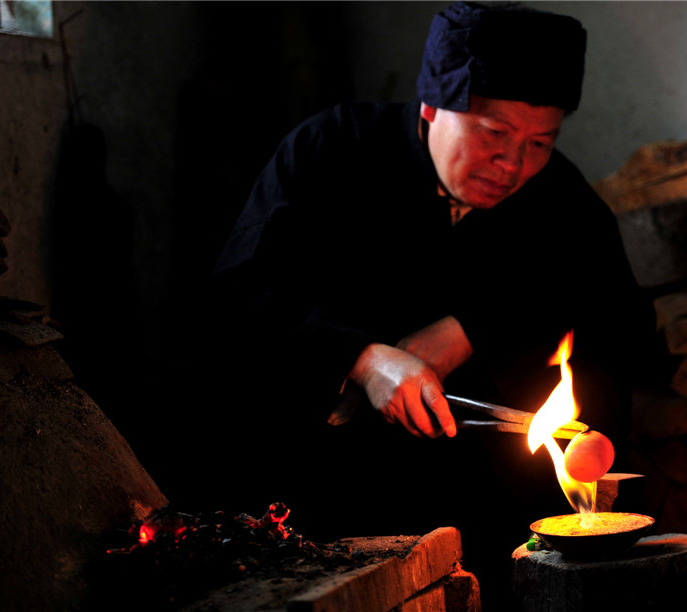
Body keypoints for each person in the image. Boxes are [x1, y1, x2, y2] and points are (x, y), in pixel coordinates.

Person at [162, 2, 654, 605]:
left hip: (497, 515)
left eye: (540, 141)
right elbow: (234, 299)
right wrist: (364, 359)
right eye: (493, 133)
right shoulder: (331, 151)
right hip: (333, 502)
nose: (512, 164)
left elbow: (625, 325)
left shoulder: (561, 200)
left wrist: (472, 329)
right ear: (429, 107)